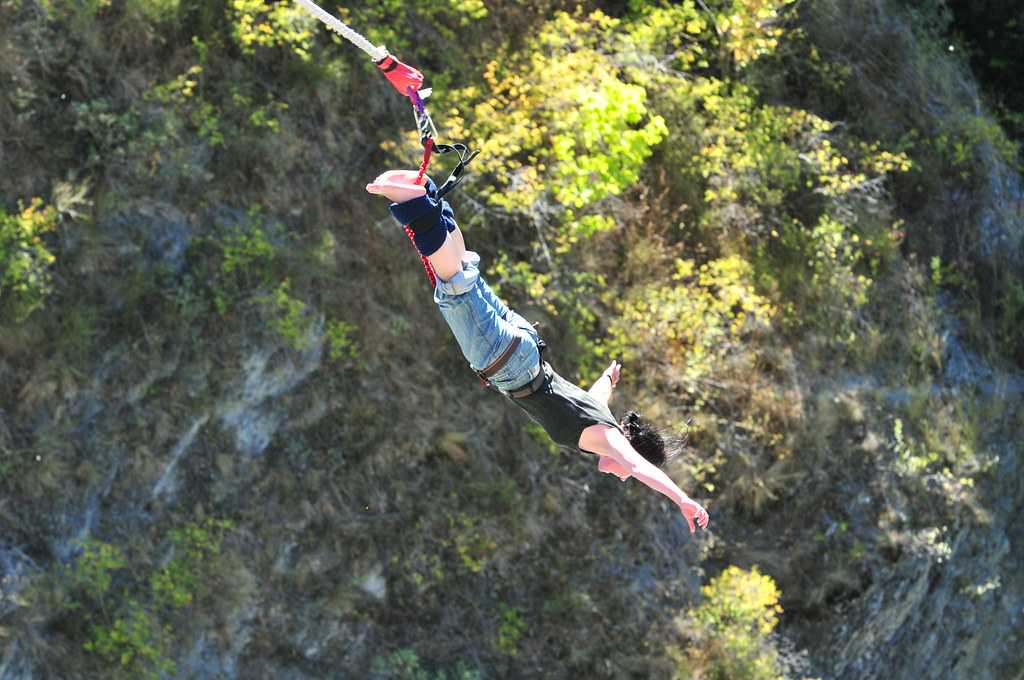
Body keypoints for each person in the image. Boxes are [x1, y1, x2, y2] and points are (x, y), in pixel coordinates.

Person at [366, 170, 710, 534]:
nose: (624, 478)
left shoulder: (602, 421)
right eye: (627, 472)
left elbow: (595, 395)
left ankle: (427, 192)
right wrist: (682, 500)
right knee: (454, 286)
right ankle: (414, 203)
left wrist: (610, 377)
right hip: (508, 363)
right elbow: (641, 468)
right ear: (629, 449)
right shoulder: (607, 440)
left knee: (466, 270)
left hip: (526, 346)